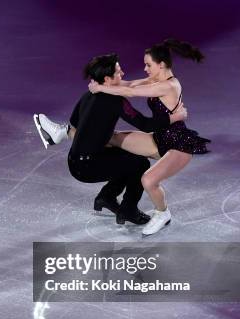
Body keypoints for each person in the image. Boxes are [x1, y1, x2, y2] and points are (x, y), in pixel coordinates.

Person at [33, 53, 187, 225]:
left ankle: (106, 197)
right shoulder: (115, 101)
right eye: (118, 73)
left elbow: (75, 122)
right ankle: (128, 210)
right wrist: (174, 117)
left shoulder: (88, 95)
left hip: (75, 160)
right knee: (139, 164)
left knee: (126, 157)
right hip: (88, 166)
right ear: (107, 79)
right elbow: (145, 124)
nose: (122, 74)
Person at [87, 39, 210, 235]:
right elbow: (128, 84)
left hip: (178, 145)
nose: (144, 69)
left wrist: (101, 89)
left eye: (148, 65)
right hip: (159, 139)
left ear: (161, 64)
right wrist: (103, 82)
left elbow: (130, 92)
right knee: (113, 138)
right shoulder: (155, 81)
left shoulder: (169, 86)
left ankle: (163, 213)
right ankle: (67, 133)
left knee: (148, 180)